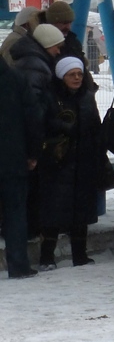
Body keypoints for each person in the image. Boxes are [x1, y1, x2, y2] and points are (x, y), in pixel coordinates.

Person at [36, 57, 103, 270]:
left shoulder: (86, 97)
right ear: (61, 76)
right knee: (53, 211)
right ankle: (47, 257)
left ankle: (80, 255)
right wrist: (63, 128)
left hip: (83, 160)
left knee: (80, 210)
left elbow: (95, 124)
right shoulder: (50, 96)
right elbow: (41, 123)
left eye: (79, 74)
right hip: (58, 162)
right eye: (71, 74)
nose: (76, 78)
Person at [9, 22, 65, 240]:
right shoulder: (36, 67)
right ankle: (30, 230)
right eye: (56, 46)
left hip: (22, 137)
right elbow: (34, 109)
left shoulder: (29, 62)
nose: (59, 51)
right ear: (46, 45)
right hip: (30, 138)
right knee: (31, 189)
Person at [0, 58, 43, 278]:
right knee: (15, 213)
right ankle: (18, 265)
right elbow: (33, 118)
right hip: (13, 159)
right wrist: (33, 153)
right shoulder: (16, 79)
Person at [40, 0, 96, 90]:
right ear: (52, 22)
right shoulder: (42, 42)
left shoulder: (73, 42)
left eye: (70, 22)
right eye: (64, 23)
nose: (68, 27)